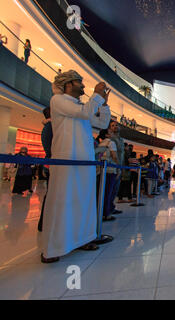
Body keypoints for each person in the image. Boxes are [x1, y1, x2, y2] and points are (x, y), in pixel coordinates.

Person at [41, 70, 111, 263]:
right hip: (66, 160)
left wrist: (103, 104)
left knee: (84, 200)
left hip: (84, 160)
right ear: (68, 84)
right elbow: (85, 113)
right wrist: (96, 95)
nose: (83, 86)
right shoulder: (58, 100)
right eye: (79, 82)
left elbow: (102, 122)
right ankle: (53, 247)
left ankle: (83, 238)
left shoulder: (82, 106)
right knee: (61, 202)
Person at [97, 128, 120, 218]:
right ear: (107, 135)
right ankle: (107, 213)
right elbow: (114, 156)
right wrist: (118, 167)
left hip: (101, 170)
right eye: (110, 132)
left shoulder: (101, 143)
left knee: (102, 191)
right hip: (110, 170)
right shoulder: (111, 142)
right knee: (109, 192)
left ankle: (101, 211)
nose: (112, 132)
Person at [38, 107, 53, 232]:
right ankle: (44, 223)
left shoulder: (50, 127)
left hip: (52, 164)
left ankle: (45, 222)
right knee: (51, 194)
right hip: (53, 165)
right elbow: (50, 150)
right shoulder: (50, 127)